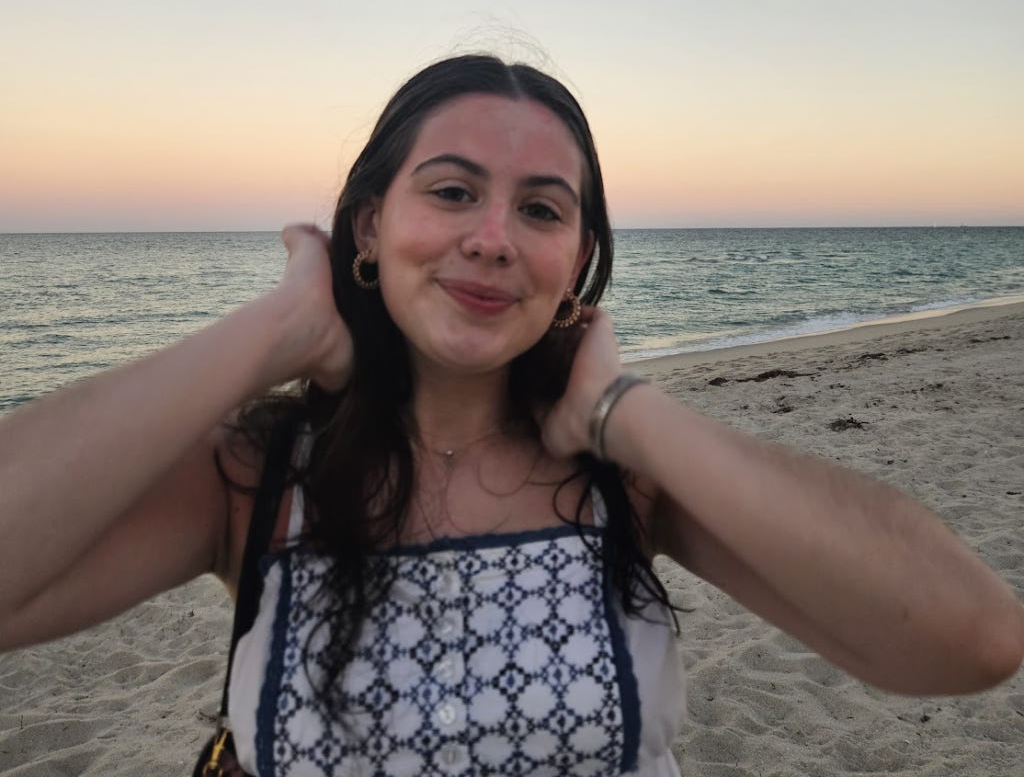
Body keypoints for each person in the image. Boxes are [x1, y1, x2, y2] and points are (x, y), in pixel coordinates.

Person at [0, 54, 1021, 777]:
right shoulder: (259, 481)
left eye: (539, 209)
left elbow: (968, 638)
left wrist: (626, 413)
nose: (493, 238)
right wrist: (274, 331)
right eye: (452, 192)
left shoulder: (631, 482)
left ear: (576, 258)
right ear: (370, 223)